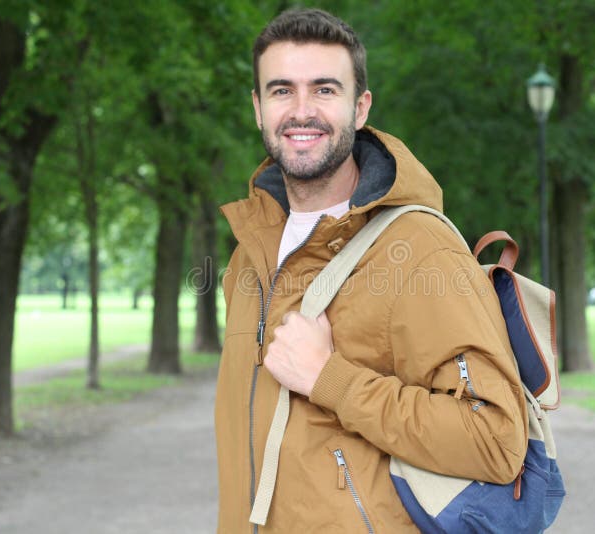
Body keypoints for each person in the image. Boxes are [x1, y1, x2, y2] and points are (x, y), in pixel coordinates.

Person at [216, 8, 527, 532]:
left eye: (324, 90)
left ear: (360, 107)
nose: (301, 110)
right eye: (281, 90)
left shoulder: (421, 250)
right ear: (257, 107)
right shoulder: (250, 254)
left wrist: (328, 379)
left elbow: (496, 440)